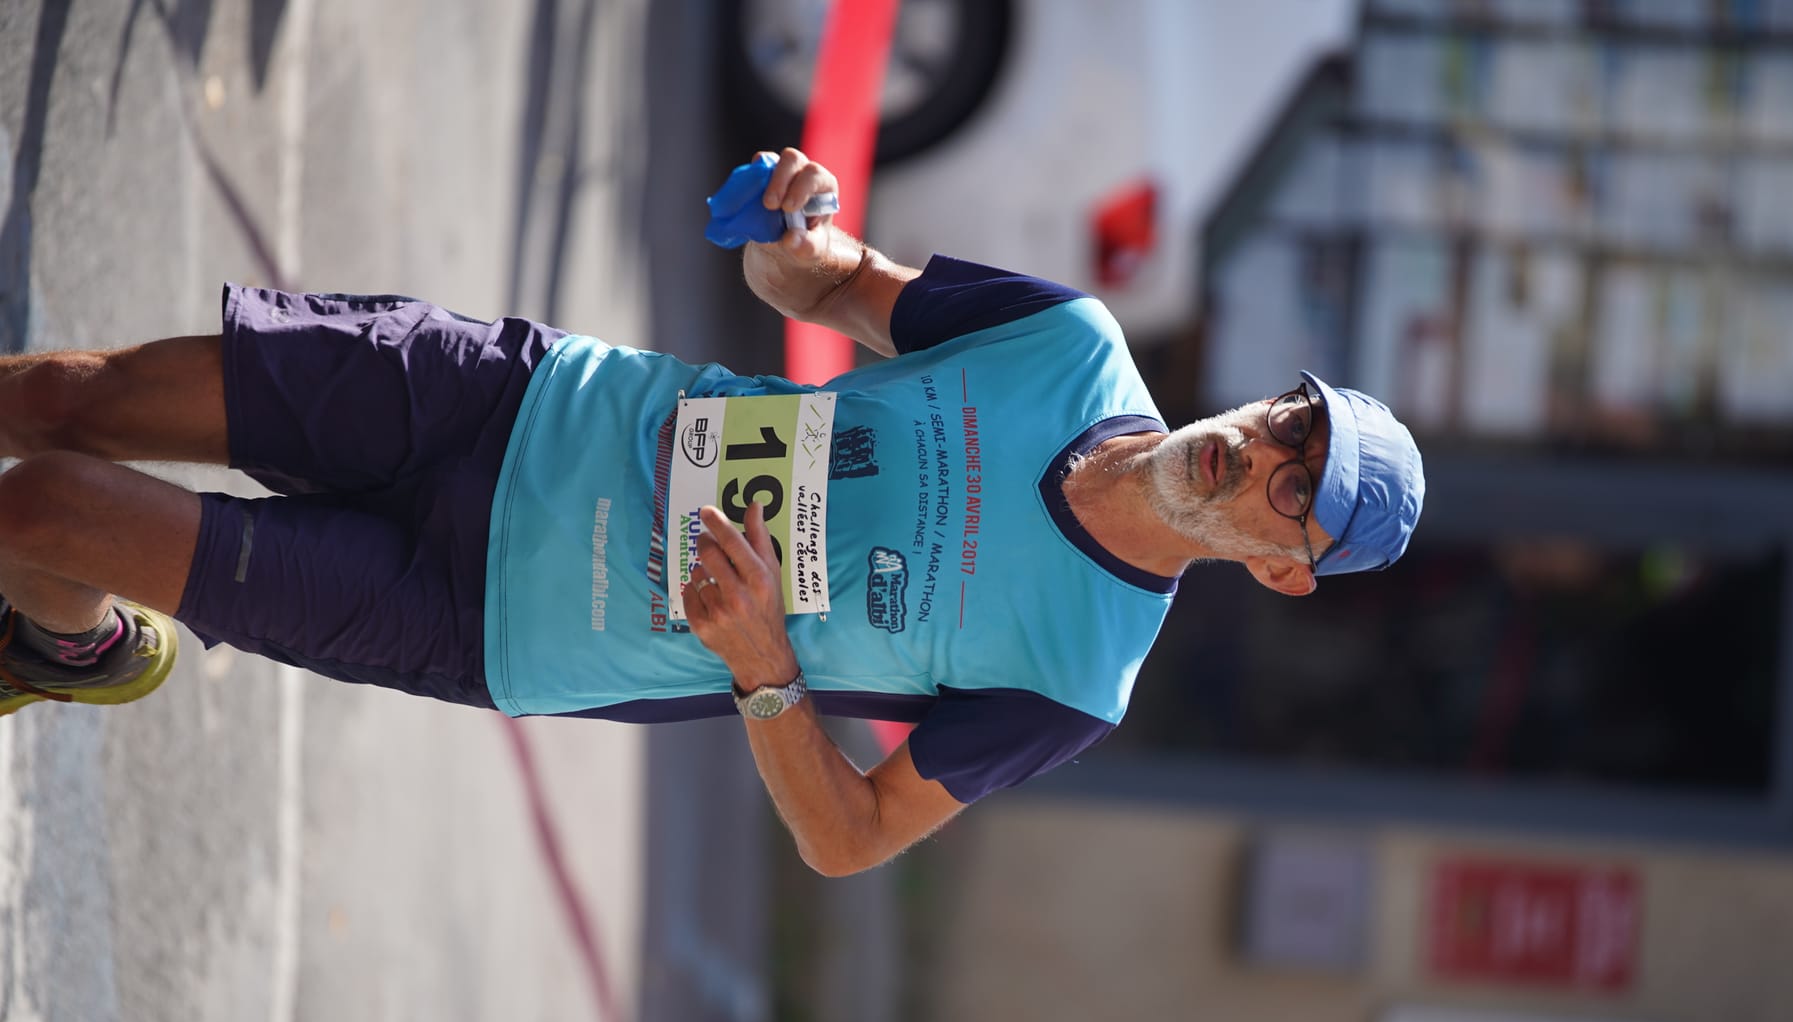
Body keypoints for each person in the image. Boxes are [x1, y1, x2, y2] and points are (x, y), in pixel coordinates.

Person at [0, 148, 1423, 876]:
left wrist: (762, 670)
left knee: (51, 507)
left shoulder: (1074, 677)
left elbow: (852, 835)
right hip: (521, 400)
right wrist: (784, 225)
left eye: (1299, 488)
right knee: (69, 403)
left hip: (491, 614)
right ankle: (66, 645)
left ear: (1285, 571)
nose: (1262, 452)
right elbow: (829, 287)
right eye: (1292, 419)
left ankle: (71, 649)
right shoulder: (1071, 343)